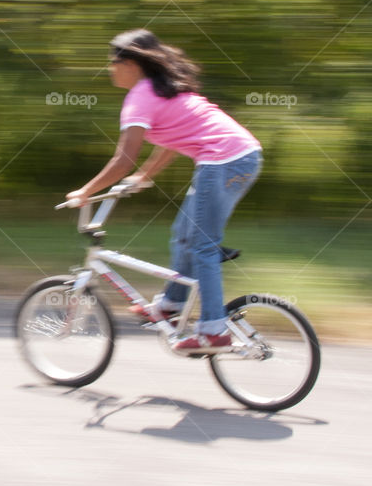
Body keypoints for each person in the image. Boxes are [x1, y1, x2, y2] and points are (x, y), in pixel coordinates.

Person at [65, 29, 262, 353]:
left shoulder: (140, 97)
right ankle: (172, 304)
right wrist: (143, 176)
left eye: (113, 62)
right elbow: (171, 143)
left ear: (130, 63)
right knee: (183, 234)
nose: (109, 69)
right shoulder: (163, 89)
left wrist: (85, 192)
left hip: (224, 162)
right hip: (240, 158)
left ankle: (213, 330)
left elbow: (123, 158)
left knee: (202, 246)